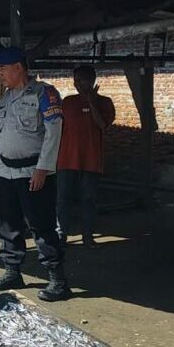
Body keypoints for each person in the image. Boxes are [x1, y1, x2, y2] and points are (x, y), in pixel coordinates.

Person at [0, 47, 71, 302]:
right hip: (6, 172)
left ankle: (57, 280)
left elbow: (54, 132)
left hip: (33, 173)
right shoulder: (5, 99)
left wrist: (43, 168)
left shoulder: (45, 93)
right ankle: (12, 271)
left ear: (18, 67)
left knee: (41, 226)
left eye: (2, 69)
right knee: (7, 225)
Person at [56, 65, 115, 248]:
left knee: (88, 201)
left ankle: (87, 237)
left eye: (81, 80)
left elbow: (102, 125)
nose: (77, 84)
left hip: (91, 161)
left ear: (92, 81)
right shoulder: (68, 102)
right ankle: (61, 235)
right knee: (63, 200)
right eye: (75, 80)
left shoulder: (105, 102)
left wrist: (91, 102)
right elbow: (57, 129)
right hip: (66, 160)